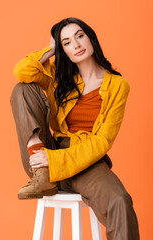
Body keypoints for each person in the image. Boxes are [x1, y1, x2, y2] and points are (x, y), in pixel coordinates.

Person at [10, 17, 140, 239]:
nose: (76, 45)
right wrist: (51, 49)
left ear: (91, 38)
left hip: (84, 160)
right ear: (63, 50)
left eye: (80, 36)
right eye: (67, 42)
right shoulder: (59, 78)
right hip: (45, 155)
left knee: (120, 200)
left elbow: (103, 141)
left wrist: (56, 161)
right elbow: (22, 71)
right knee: (22, 89)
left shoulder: (118, 86)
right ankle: (41, 174)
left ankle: (47, 169)